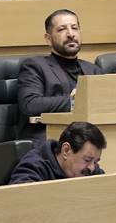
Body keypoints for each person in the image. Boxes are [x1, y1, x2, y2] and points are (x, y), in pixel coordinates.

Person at [16, 9, 102, 141]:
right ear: (48, 39)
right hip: (50, 139)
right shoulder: (35, 66)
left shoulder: (94, 70)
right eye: (62, 29)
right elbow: (30, 104)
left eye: (74, 28)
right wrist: (76, 101)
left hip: (90, 138)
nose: (71, 34)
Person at [9, 121, 106, 184]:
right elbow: (20, 199)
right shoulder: (33, 166)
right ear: (66, 150)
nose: (92, 167)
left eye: (95, 162)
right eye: (87, 160)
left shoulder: (92, 170)